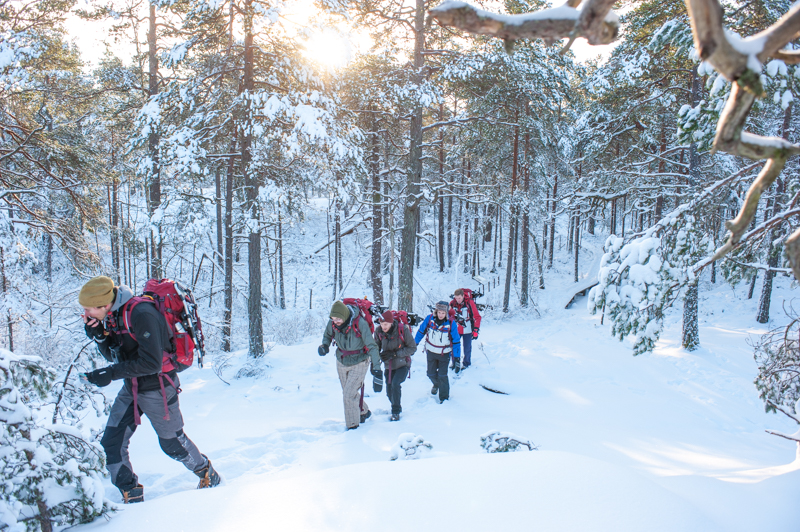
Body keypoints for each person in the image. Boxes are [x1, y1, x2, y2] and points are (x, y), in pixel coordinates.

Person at [78, 276, 219, 504]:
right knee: (111, 444)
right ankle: (131, 493)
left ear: (103, 304)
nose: (85, 315)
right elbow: (117, 354)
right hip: (131, 388)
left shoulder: (141, 314)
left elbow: (152, 363)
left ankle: (207, 473)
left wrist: (110, 373)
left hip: (158, 388)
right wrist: (99, 337)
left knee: (172, 443)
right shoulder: (114, 314)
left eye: (88, 309)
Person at [319, 300, 382, 430]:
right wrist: (325, 345)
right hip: (341, 361)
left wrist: (377, 369)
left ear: (344, 316)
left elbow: (372, 346)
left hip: (359, 361)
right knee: (349, 392)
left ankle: (353, 427)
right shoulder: (333, 323)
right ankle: (364, 411)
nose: (334, 321)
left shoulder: (360, 323)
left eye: (337, 319)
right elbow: (327, 335)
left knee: (348, 395)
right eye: (332, 318)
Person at [374, 310, 416, 421]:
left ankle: (395, 412)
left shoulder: (402, 330)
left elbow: (412, 348)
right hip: (389, 366)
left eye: (386, 324)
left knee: (395, 384)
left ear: (391, 322)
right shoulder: (378, 332)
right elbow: (375, 348)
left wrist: (395, 354)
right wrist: (378, 358)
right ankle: (395, 404)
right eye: (382, 324)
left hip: (403, 364)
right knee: (389, 392)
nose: (383, 327)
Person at [415, 301, 461, 403]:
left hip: (444, 353)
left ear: (446, 313)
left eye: (443, 313)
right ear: (436, 311)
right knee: (430, 374)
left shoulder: (451, 323)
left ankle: (444, 398)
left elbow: (456, 341)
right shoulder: (429, 319)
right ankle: (437, 384)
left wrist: (457, 358)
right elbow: (421, 331)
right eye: (439, 312)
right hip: (431, 351)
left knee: (442, 375)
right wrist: (415, 344)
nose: (440, 315)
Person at [450, 288, 482, 369]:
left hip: (467, 329)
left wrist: (476, 330)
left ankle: (466, 363)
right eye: (456, 298)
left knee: (467, 347)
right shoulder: (452, 303)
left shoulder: (469, 303)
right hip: (456, 329)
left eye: (460, 298)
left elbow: (477, 317)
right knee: (454, 346)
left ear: (463, 296)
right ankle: (455, 362)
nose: (458, 300)